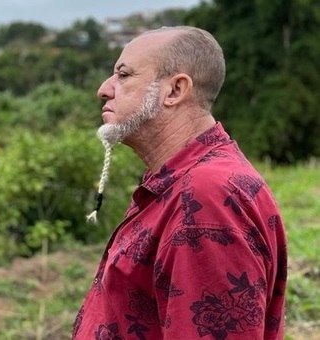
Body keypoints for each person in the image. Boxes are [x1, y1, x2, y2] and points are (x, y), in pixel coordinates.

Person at [73, 26, 287, 339]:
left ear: (174, 91)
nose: (104, 89)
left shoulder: (206, 197)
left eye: (123, 74)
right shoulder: (181, 180)